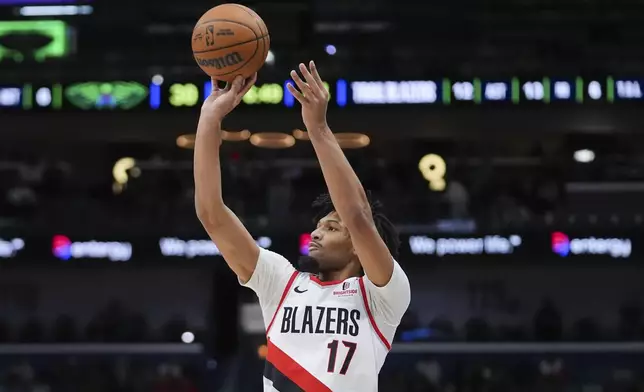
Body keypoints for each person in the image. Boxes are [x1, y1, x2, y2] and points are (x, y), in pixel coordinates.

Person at [194, 62, 411, 392]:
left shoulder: (382, 295)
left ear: (359, 246)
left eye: (332, 228)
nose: (317, 232)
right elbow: (212, 214)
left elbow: (357, 215)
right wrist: (209, 120)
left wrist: (319, 130)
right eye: (319, 226)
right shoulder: (281, 282)